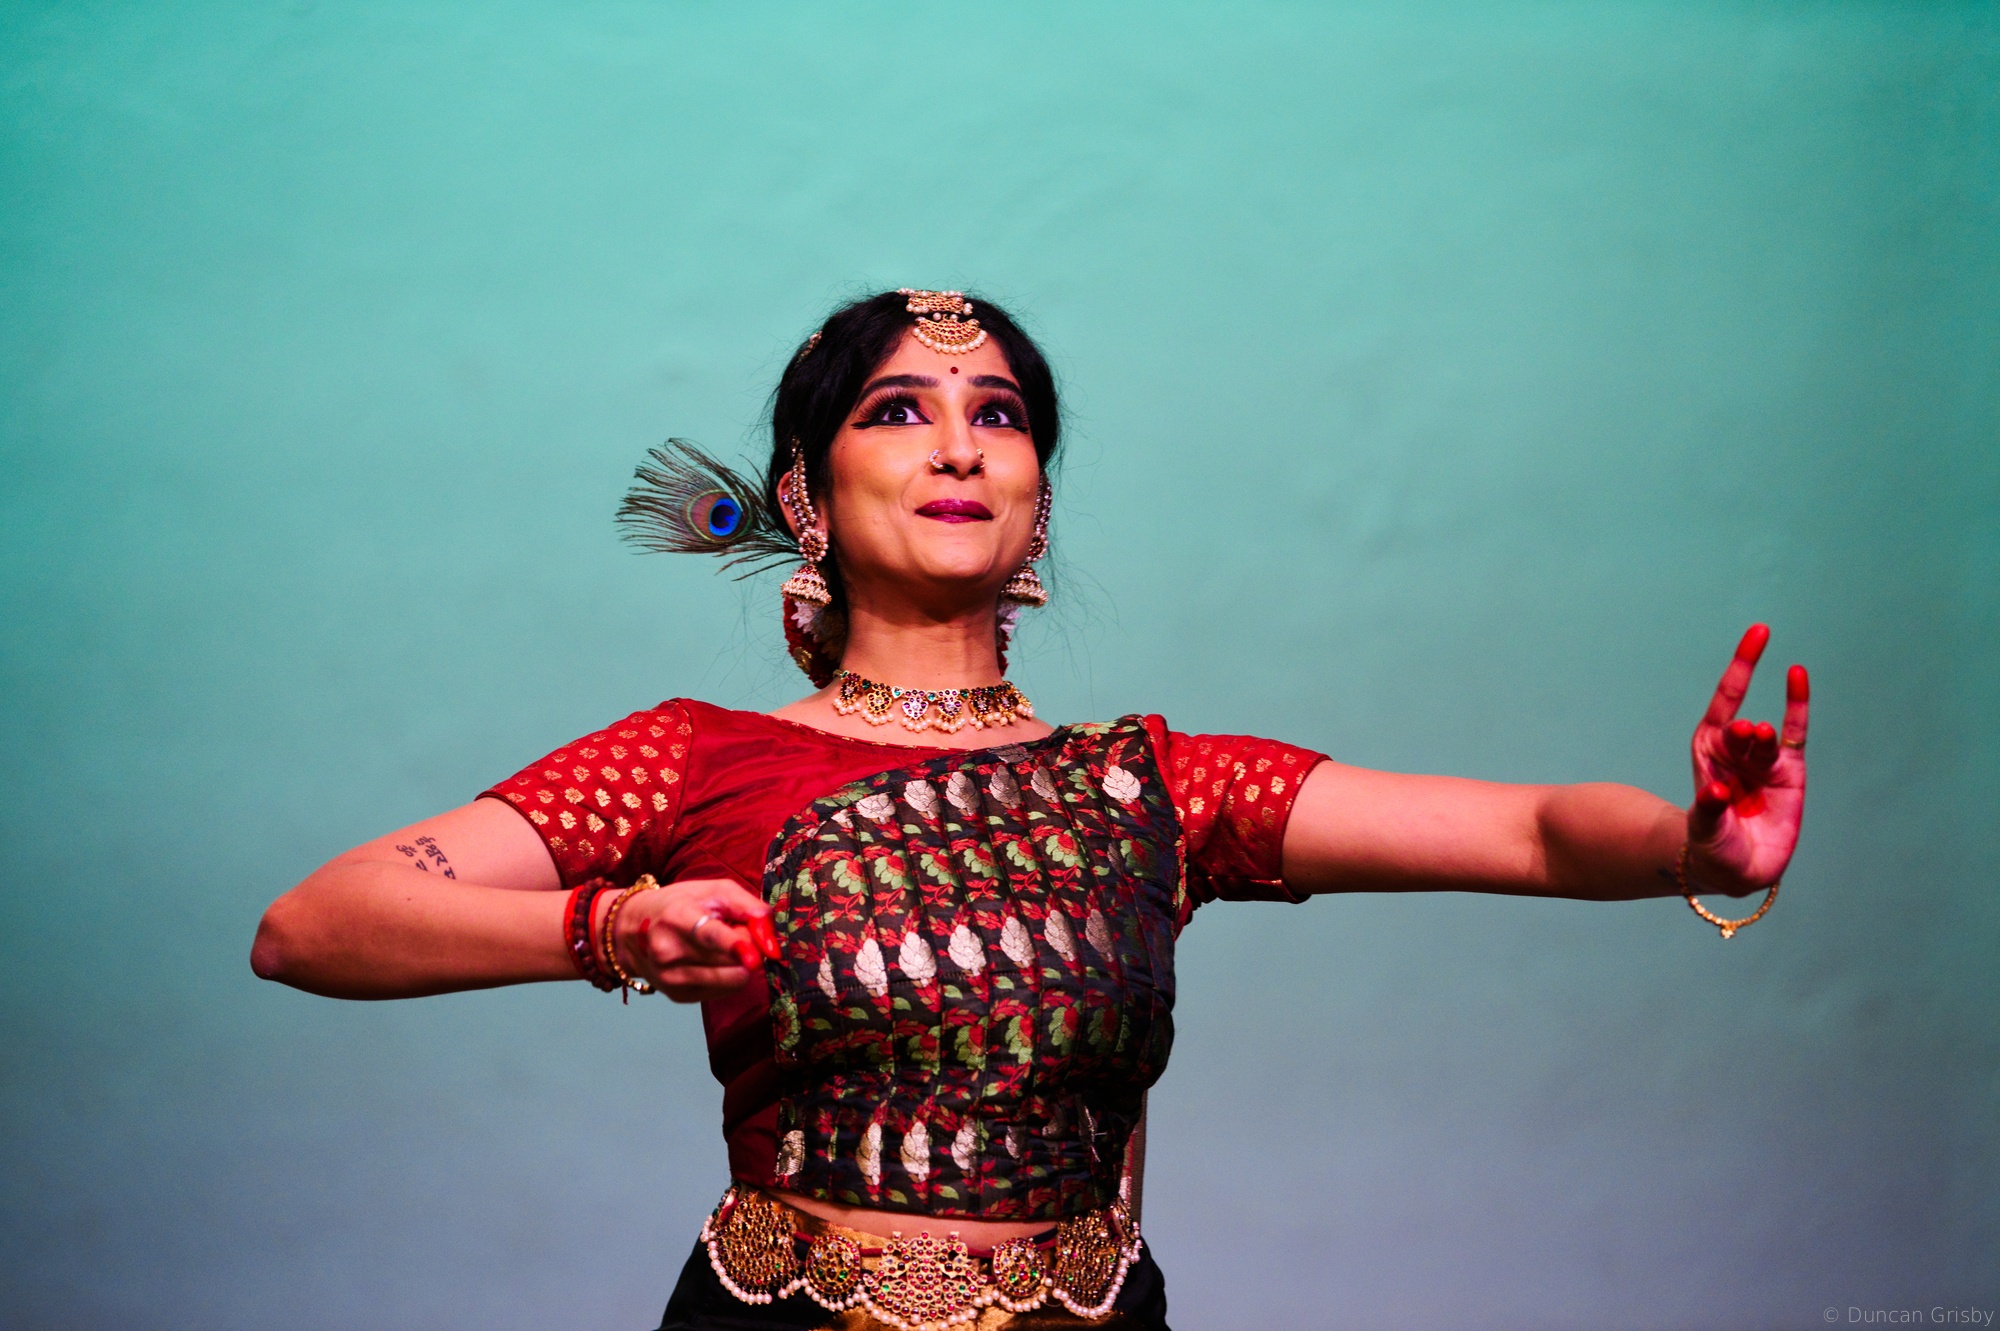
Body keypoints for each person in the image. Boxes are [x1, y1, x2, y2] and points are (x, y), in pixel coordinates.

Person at [251, 288, 1810, 1331]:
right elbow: (312, 926)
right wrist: (608, 928)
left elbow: (1526, 833)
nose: (957, 443)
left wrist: (1694, 845)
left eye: (997, 414)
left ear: (1038, 498)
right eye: (896, 411)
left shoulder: (1152, 783)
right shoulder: (694, 758)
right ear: (802, 496)